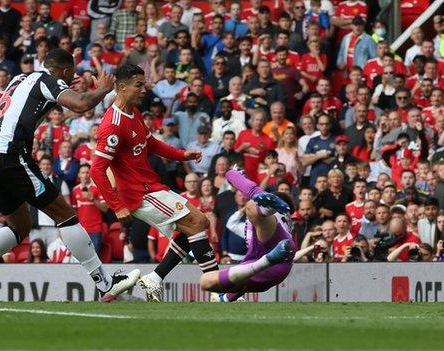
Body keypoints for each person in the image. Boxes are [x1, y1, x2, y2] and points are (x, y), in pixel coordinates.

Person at [0, 48, 139, 302]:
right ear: (65, 71)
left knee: (20, 226)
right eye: (71, 75)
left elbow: (40, 102)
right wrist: (102, 88)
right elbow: (81, 105)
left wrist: (68, 88)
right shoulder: (50, 81)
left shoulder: (21, 78)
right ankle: (105, 284)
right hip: (9, 156)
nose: (71, 79)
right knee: (66, 215)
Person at [89, 64, 220, 302]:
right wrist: (117, 206)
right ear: (121, 87)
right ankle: (217, 289)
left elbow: (151, 144)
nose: (144, 90)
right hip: (139, 194)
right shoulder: (113, 124)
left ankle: (155, 278)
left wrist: (182, 155)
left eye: (144, 85)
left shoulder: (134, 112)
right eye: (138, 85)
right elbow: (97, 170)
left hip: (151, 186)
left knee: (195, 226)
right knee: (198, 222)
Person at [194, 167, 295, 301]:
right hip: (268, 264)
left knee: (253, 204)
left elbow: (233, 176)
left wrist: (234, 175)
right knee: (206, 282)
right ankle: (224, 298)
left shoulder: (262, 201)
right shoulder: (250, 221)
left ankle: (270, 210)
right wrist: (229, 297)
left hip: (276, 245)